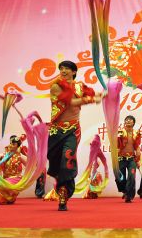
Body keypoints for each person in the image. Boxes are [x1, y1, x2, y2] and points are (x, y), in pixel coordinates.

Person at [48, 60, 102, 211]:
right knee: (57, 164)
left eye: (66, 68)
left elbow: (90, 93)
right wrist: (91, 99)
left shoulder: (80, 86)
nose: (63, 71)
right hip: (56, 131)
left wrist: (100, 95)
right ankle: (62, 187)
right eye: (61, 68)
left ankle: (64, 194)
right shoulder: (55, 86)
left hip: (73, 130)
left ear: (73, 72)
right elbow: (70, 102)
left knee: (68, 158)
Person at [0, 135, 27, 204]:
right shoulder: (4, 155)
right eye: (11, 143)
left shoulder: (20, 156)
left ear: (17, 146)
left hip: (16, 178)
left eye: (14, 144)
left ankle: (6, 198)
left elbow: (28, 166)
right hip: (5, 179)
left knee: (1, 184)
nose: (11, 145)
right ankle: (8, 198)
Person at [116, 115, 141, 203]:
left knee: (131, 176)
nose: (128, 121)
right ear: (124, 122)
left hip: (131, 159)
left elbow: (137, 146)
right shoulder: (120, 132)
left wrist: (138, 154)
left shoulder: (136, 133)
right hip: (121, 158)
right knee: (120, 178)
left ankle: (129, 196)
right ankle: (124, 191)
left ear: (133, 122)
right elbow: (116, 143)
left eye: (130, 120)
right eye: (126, 120)